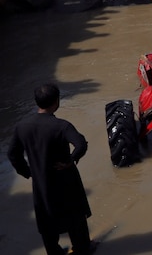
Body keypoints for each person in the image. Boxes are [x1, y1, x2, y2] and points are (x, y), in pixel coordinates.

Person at [8, 83, 94, 255]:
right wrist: (71, 160)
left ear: (36, 102)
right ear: (56, 101)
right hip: (66, 181)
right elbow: (80, 144)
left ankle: (54, 251)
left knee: (47, 221)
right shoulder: (62, 126)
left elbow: (13, 155)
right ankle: (82, 249)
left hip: (41, 182)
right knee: (75, 218)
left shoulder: (22, 127)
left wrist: (28, 172)